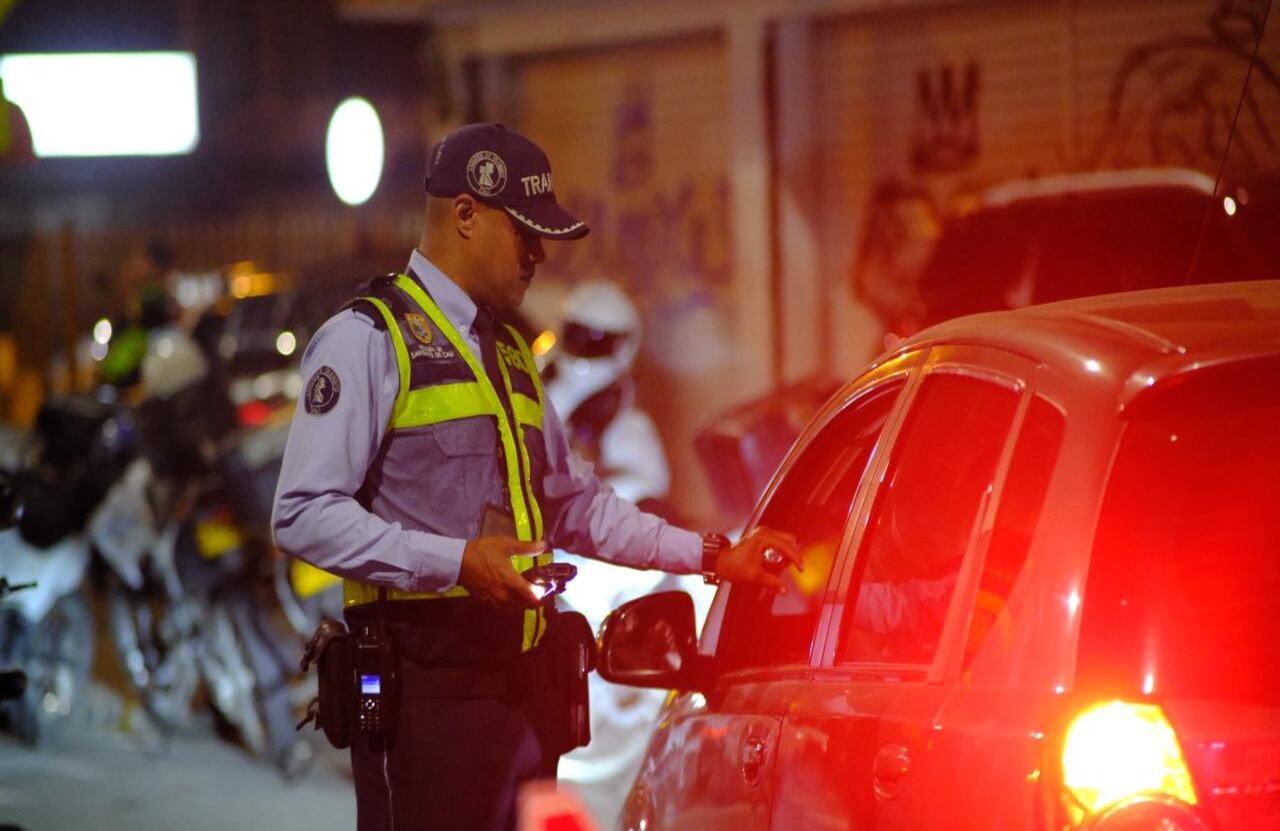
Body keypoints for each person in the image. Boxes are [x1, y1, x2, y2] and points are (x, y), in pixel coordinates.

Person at [271, 122, 800, 831]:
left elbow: (575, 503)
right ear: (465, 215)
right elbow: (301, 512)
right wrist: (458, 561)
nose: (539, 254)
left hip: (522, 704)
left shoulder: (511, 353)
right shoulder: (369, 338)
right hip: (428, 709)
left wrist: (711, 555)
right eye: (523, 232)